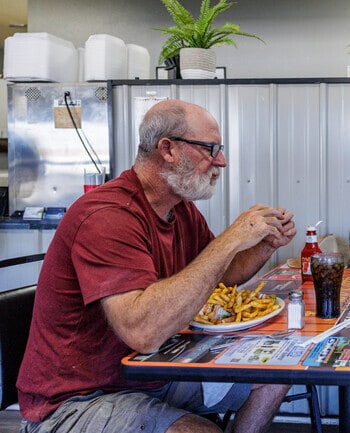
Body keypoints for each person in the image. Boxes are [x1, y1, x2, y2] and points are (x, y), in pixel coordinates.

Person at [17, 99, 296, 433]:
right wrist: (233, 237)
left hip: (149, 376)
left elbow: (220, 273)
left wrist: (264, 244)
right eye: (210, 149)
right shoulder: (107, 215)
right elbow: (143, 333)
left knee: (277, 374)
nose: (220, 161)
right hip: (78, 399)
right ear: (168, 149)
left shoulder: (180, 210)